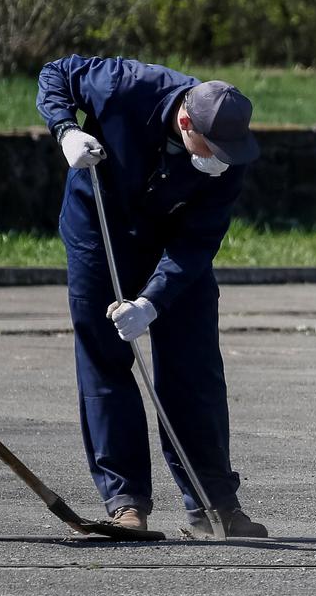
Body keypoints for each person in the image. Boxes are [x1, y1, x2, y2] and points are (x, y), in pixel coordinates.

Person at [36, 56, 267, 537]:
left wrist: (151, 302)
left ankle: (214, 504)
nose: (219, 158)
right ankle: (125, 501)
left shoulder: (227, 159)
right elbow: (55, 73)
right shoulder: (125, 85)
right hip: (100, 230)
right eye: (212, 146)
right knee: (105, 360)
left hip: (173, 243)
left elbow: (198, 242)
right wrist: (64, 130)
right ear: (186, 120)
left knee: (194, 368)